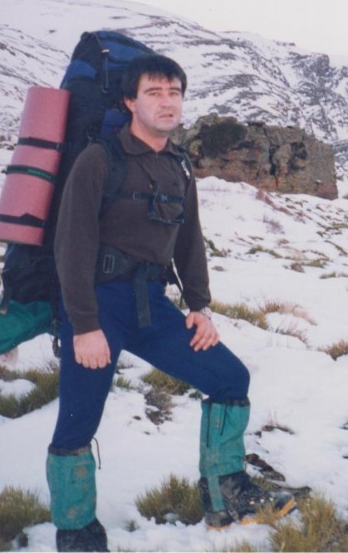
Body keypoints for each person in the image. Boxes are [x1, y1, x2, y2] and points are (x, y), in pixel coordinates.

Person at [46, 54, 295, 551]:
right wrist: (83, 324)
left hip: (152, 306)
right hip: (99, 306)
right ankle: (75, 528)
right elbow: (70, 245)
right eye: (154, 92)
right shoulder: (100, 159)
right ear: (129, 101)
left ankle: (227, 495)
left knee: (229, 379)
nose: (166, 102)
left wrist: (200, 307)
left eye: (174, 92)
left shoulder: (179, 164)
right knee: (78, 417)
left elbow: (189, 241)